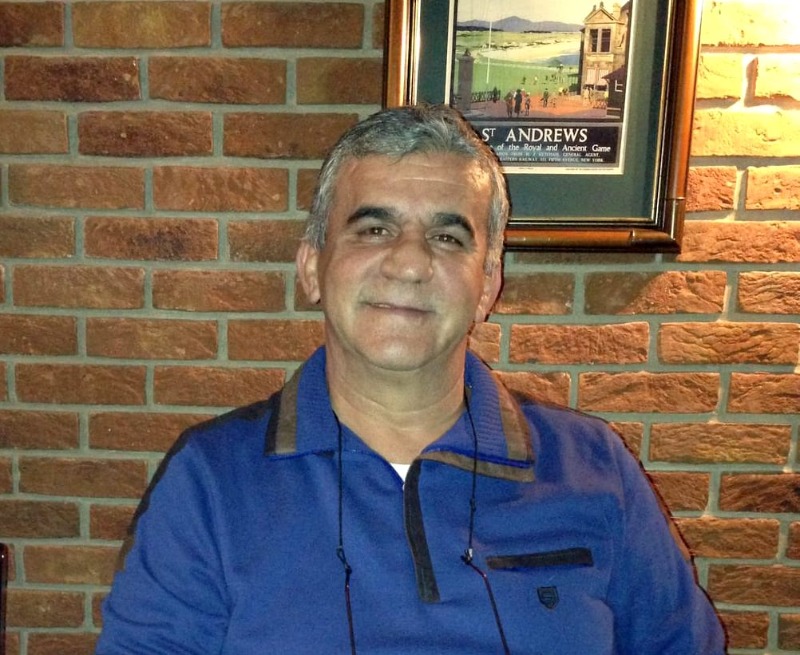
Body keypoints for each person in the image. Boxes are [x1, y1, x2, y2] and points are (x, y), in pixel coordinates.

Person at [96, 105, 725, 654]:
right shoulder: (210, 481)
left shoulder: (594, 467)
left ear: (488, 284)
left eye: (448, 237)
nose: (409, 262)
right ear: (313, 268)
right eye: (374, 229)